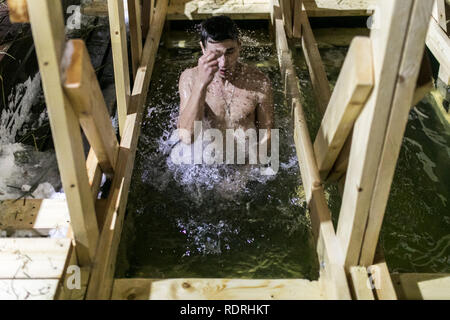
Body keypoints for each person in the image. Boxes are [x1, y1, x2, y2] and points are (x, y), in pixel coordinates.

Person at [176, 15, 274, 158]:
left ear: (239, 45)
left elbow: (267, 135)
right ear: (203, 48)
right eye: (215, 54)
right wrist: (201, 84)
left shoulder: (259, 82)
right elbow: (186, 138)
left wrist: (244, 176)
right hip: (205, 164)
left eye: (230, 52)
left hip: (246, 163)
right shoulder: (190, 79)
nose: (223, 62)